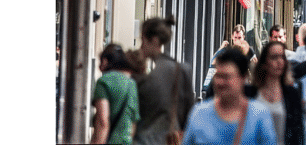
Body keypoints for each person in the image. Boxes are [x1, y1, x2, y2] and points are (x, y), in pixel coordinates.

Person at [184, 47, 277, 145]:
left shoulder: (259, 115)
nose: (220, 82)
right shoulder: (199, 114)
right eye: (218, 76)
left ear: (243, 78)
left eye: (226, 77)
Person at [132, 17, 196, 145]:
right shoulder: (181, 70)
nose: (141, 45)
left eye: (143, 40)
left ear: (154, 40)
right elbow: (189, 114)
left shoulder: (144, 76)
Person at [245, 40, 305, 145]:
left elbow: (298, 132)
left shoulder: (292, 94)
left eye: (282, 57)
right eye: (274, 57)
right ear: (264, 63)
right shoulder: (250, 92)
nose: (279, 61)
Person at [91, 44, 141, 145]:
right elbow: (133, 122)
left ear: (105, 61)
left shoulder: (103, 82)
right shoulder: (131, 84)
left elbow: (103, 121)